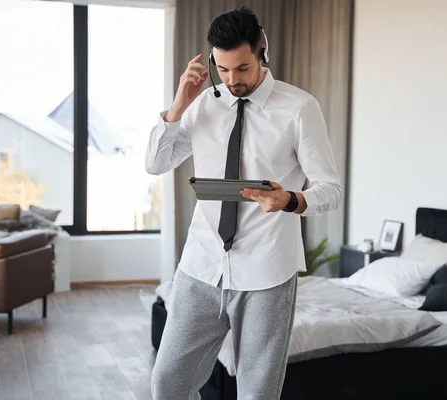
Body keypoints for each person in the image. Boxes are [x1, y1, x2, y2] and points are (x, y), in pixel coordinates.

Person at [146, 6, 342, 400]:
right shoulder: (203, 105)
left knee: (257, 394)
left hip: (266, 273)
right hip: (201, 267)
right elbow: (156, 162)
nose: (232, 80)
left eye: (242, 68)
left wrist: (290, 199)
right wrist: (177, 108)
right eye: (222, 69)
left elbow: (330, 189)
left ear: (262, 52)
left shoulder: (299, 108)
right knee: (167, 383)